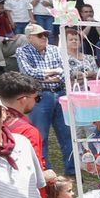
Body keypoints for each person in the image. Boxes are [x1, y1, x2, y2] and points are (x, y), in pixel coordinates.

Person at [13, 24, 73, 174]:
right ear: (29, 37)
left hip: (60, 94)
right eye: (40, 35)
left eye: (45, 35)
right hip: (40, 96)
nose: (44, 38)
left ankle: (72, 170)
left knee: (67, 135)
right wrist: (53, 72)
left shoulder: (54, 49)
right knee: (40, 136)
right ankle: (45, 170)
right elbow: (28, 73)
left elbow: (65, 71)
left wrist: (46, 75)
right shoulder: (22, 51)